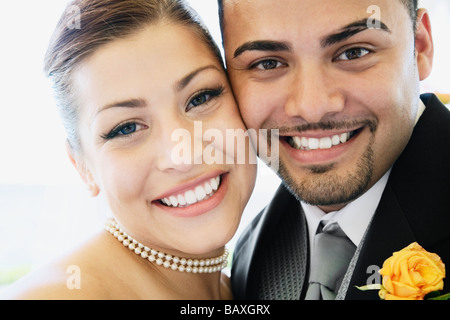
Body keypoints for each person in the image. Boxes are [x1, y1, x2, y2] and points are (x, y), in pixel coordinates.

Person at [1, 0, 256, 300]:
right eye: (126, 128)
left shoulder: (243, 284)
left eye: (200, 98)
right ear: (82, 167)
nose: (183, 154)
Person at [218, 0, 450, 299]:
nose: (312, 108)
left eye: (354, 52)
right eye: (268, 63)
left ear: (420, 46)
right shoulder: (251, 253)